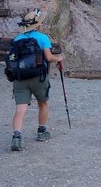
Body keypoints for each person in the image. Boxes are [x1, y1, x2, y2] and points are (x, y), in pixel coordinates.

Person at [9, 8, 64, 152]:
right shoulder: (42, 38)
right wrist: (59, 58)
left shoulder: (17, 40)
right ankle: (41, 131)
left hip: (20, 78)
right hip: (38, 77)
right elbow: (49, 58)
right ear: (38, 25)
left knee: (20, 109)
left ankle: (17, 136)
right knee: (43, 104)